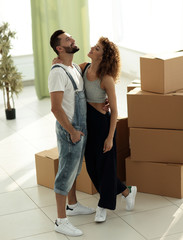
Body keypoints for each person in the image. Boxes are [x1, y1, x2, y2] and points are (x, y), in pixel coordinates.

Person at [80, 37, 137, 222]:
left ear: (103, 57)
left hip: (102, 126)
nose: (92, 48)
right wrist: (56, 61)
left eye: (96, 48)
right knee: (92, 168)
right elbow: (65, 70)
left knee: (105, 168)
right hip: (87, 124)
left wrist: (110, 137)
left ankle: (103, 206)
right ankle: (127, 192)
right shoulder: (83, 68)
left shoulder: (107, 79)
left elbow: (114, 112)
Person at [48, 30, 95, 237]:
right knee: (65, 174)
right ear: (59, 48)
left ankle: (73, 205)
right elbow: (56, 108)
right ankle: (60, 221)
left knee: (74, 170)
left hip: (79, 129)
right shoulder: (58, 73)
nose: (73, 39)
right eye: (68, 39)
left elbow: (90, 68)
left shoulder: (74, 67)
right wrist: (72, 132)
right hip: (71, 131)